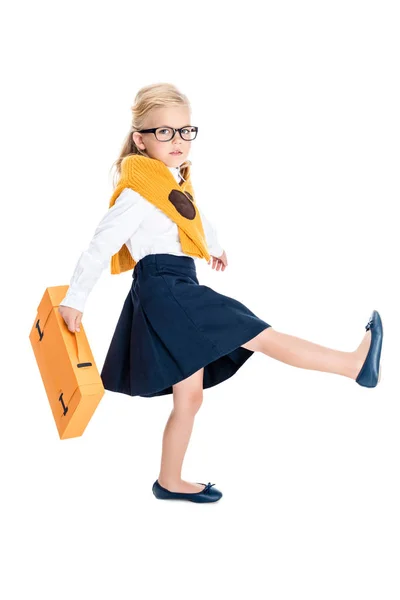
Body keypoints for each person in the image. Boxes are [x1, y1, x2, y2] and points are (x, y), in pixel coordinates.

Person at [58, 82, 383, 504]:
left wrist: (212, 246)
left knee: (189, 396)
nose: (178, 141)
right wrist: (75, 299)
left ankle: (169, 481)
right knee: (257, 333)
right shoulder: (138, 191)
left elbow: (189, 213)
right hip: (165, 288)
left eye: (185, 130)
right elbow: (100, 245)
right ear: (140, 139)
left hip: (176, 284)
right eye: (165, 132)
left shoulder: (167, 183)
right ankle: (353, 365)